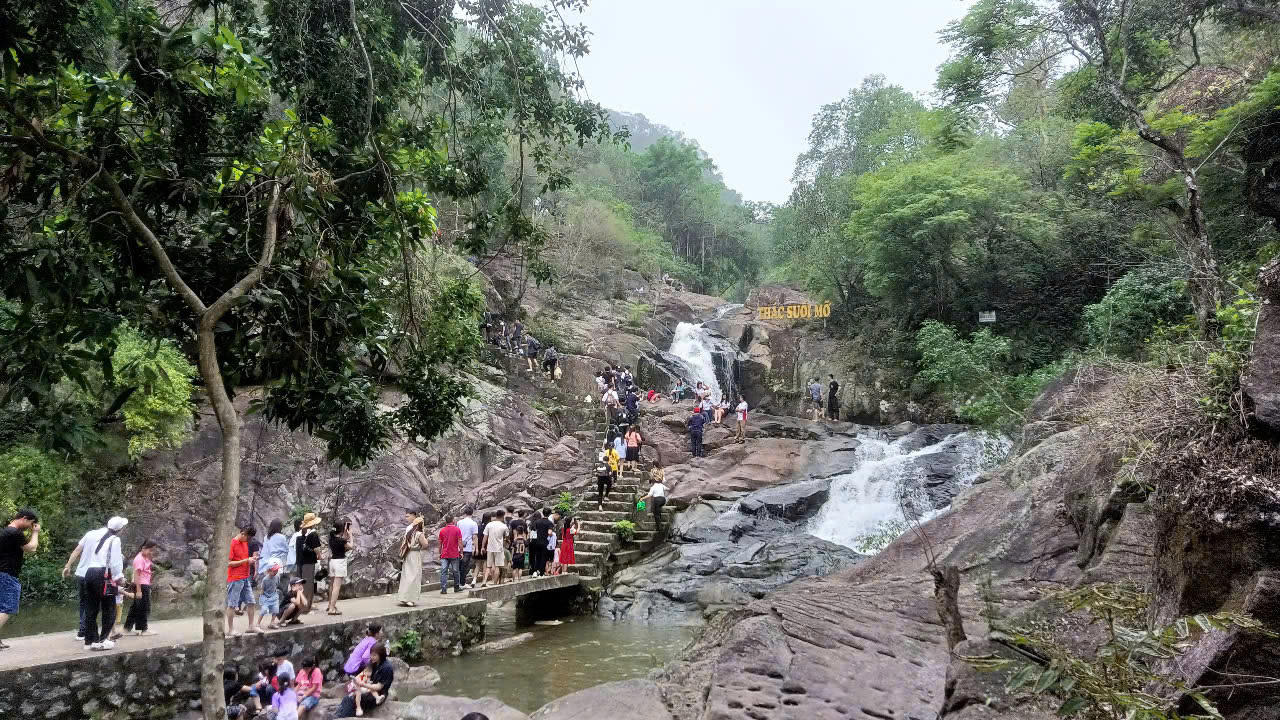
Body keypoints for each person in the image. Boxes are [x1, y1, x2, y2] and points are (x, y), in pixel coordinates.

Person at [83, 515, 127, 650]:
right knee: (109, 609)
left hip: (89, 573)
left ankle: (90, 641)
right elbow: (115, 561)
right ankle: (103, 640)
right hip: (103, 575)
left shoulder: (99, 538)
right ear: (120, 529)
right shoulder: (115, 539)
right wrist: (120, 577)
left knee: (91, 609)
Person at [62, 519, 109, 640]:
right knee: (93, 604)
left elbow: (77, 550)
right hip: (94, 574)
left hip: (81, 573)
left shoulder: (90, 534)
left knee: (83, 603)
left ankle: (82, 630)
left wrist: (68, 566)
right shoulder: (111, 538)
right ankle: (85, 632)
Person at [0, 508, 40, 647]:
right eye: (31, 523)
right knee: (8, 607)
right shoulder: (14, 532)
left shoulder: (6, 531)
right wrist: (35, 533)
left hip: (2, 573)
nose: (30, 526)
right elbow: (32, 548)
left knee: (1, 607)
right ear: (24, 518)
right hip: (7, 574)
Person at [336, 643, 393, 717]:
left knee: (351, 700)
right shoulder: (374, 663)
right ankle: (339, 715)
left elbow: (379, 687)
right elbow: (366, 676)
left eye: (374, 655)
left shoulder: (387, 668)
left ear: (381, 655)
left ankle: (342, 716)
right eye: (371, 655)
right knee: (347, 698)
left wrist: (363, 684)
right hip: (369, 689)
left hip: (378, 695)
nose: (371, 657)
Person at [227, 524, 263, 637]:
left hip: (245, 577)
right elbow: (228, 563)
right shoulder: (232, 543)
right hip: (235, 578)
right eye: (248, 537)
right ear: (243, 534)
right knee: (232, 604)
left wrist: (253, 560)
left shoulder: (245, 543)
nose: (249, 540)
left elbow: (244, 559)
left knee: (251, 602)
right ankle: (230, 629)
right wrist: (246, 560)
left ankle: (251, 626)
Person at [123, 539, 159, 636]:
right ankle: (143, 629)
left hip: (144, 584)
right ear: (143, 548)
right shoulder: (139, 559)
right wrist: (139, 591)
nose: (152, 552)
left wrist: (149, 554)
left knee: (135, 607)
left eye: (153, 550)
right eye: (150, 550)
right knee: (144, 607)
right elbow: (137, 575)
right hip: (141, 585)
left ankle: (127, 628)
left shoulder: (145, 557)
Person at [397, 511, 428, 607]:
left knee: (406, 575)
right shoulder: (419, 533)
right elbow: (425, 544)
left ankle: (403, 597)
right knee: (414, 576)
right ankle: (410, 598)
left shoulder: (409, 532)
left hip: (407, 554)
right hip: (415, 555)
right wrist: (419, 548)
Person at [294, 513, 323, 610]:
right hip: (309, 562)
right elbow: (316, 548)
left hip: (300, 562)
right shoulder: (313, 534)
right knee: (308, 585)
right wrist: (319, 555)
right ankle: (306, 607)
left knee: (301, 584)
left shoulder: (300, 534)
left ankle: (300, 605)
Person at [327, 519, 353, 615]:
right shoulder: (341, 540)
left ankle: (330, 605)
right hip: (340, 563)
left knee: (331, 585)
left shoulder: (332, 538)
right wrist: (350, 535)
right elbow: (351, 546)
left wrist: (344, 533)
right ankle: (332, 609)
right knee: (336, 587)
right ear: (342, 529)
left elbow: (342, 541)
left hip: (333, 562)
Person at [481, 510, 508, 586]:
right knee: (497, 566)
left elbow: (485, 537)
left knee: (488, 566)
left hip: (490, 548)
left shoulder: (489, 524)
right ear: (503, 516)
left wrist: (483, 547)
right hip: (499, 548)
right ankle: (495, 583)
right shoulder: (504, 526)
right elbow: (507, 537)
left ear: (496, 516)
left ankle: (484, 581)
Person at [438, 514, 463, 594]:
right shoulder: (457, 530)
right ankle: (456, 587)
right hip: (454, 554)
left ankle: (444, 589)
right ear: (453, 520)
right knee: (455, 571)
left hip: (444, 554)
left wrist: (440, 553)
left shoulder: (442, 531)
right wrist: (461, 552)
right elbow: (460, 542)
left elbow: (440, 544)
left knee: (443, 571)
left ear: (446, 521)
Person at [257, 558, 284, 630]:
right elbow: (262, 589)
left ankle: (272, 622)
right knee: (263, 610)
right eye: (274, 570)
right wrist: (262, 598)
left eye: (277, 570)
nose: (276, 572)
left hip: (274, 595)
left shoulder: (277, 576)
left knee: (275, 609)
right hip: (266, 596)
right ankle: (258, 624)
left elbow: (277, 585)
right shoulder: (265, 579)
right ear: (269, 571)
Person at [456, 508, 478, 590]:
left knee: (458, 566)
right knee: (464, 566)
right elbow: (475, 537)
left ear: (465, 513)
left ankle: (458, 582)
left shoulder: (459, 522)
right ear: (472, 513)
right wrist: (476, 548)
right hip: (468, 548)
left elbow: (457, 534)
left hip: (459, 547)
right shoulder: (473, 523)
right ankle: (462, 583)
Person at [532, 509, 554, 577]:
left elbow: (535, 530)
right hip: (545, 542)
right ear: (549, 514)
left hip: (537, 541)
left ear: (543, 513)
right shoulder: (549, 523)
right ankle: (541, 573)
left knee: (537, 557)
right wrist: (550, 534)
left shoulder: (538, 521)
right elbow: (549, 532)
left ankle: (535, 571)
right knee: (543, 557)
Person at [472, 512, 492, 585]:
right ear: (489, 518)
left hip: (478, 547)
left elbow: (475, 537)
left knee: (477, 565)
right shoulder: (489, 527)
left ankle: (474, 580)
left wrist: (476, 548)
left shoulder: (478, 526)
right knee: (485, 565)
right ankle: (484, 581)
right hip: (485, 548)